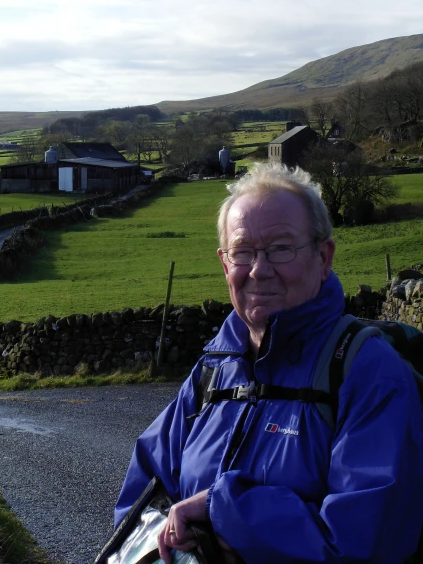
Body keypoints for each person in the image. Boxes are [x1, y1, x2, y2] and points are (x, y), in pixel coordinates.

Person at [114, 163, 423, 563]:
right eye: (243, 252)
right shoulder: (214, 369)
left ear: (323, 256)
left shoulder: (369, 373)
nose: (259, 270)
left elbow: (359, 545)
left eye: (281, 247)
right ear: (226, 265)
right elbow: (140, 503)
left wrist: (223, 508)